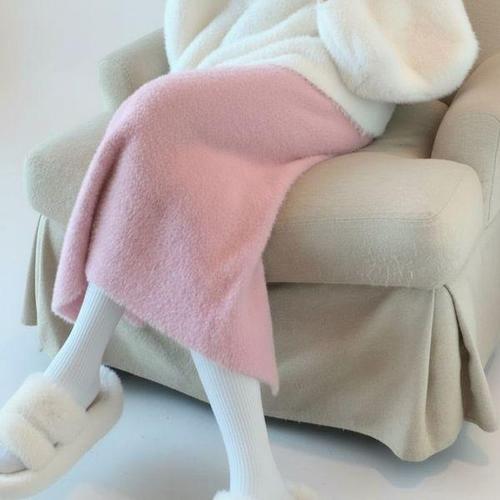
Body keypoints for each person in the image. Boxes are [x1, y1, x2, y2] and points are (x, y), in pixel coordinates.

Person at [0, 1, 478, 499]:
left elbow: (427, 36)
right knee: (198, 193)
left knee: (154, 111)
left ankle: (74, 377)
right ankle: (257, 480)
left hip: (332, 87)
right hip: (242, 66)